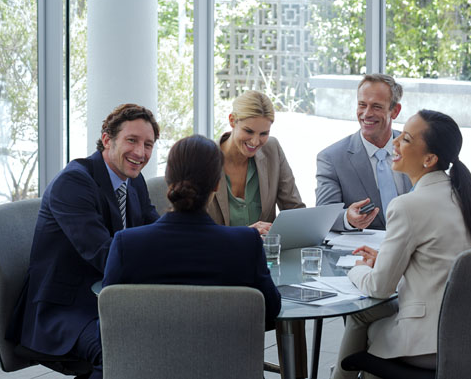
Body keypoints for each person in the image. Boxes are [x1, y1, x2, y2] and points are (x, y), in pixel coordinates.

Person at [6, 104, 161, 379]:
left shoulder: (133, 181)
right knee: (121, 346)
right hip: (65, 310)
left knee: (170, 333)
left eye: (148, 144)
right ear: (107, 139)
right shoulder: (74, 183)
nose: (140, 153)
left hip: (109, 299)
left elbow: (157, 234)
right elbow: (105, 254)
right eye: (132, 140)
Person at [332, 110, 471, 379]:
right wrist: (384, 259)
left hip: (426, 344)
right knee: (370, 320)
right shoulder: (463, 196)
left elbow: (379, 288)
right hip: (465, 335)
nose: (394, 142)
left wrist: (356, 269)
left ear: (429, 159)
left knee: (363, 316)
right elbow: (438, 258)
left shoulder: (408, 205)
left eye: (405, 139)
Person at [102, 134, 281, 326]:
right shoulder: (246, 244)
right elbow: (271, 311)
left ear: (168, 179)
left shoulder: (127, 244)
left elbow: (108, 318)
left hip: (148, 346)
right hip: (224, 346)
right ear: (217, 184)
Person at [316, 74, 413, 231]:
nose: (367, 113)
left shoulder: (415, 148)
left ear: (395, 111)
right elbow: (323, 214)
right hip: (363, 245)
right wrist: (348, 218)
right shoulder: (332, 158)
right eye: (362, 105)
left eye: (376, 106)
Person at [206, 90, 304, 234]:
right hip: (218, 248)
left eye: (264, 133)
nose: (255, 142)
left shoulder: (272, 150)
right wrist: (245, 234)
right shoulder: (203, 159)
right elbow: (191, 228)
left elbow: (294, 210)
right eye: (249, 131)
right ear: (232, 120)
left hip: (263, 248)